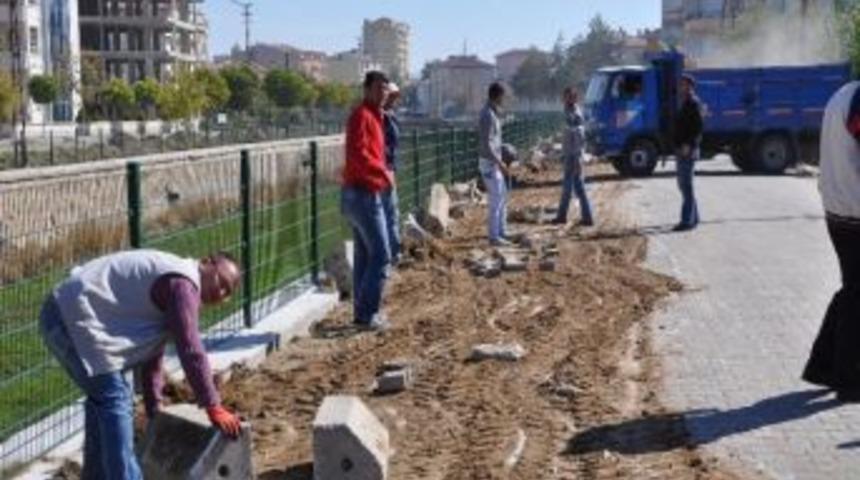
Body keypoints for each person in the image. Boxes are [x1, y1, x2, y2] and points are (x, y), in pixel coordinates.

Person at [39, 249, 243, 480]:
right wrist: (213, 405)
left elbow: (153, 350)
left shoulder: (179, 284)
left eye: (227, 291)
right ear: (206, 262)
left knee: (104, 401)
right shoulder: (183, 284)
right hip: (69, 315)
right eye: (220, 281)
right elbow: (191, 350)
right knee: (115, 399)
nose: (220, 291)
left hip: (64, 312)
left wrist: (153, 405)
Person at [802, 80, 860, 402]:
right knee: (856, 295)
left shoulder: (844, 93)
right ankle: (848, 380)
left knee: (852, 289)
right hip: (855, 211)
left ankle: (822, 366)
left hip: (838, 207)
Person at [341, 70, 392, 330]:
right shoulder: (362, 115)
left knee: (364, 256)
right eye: (378, 88)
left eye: (385, 89)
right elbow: (360, 154)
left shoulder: (373, 115)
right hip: (363, 194)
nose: (383, 93)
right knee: (382, 255)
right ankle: (368, 314)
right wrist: (384, 173)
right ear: (367, 89)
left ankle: (361, 314)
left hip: (358, 193)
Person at [553, 87, 594, 226]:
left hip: (573, 156)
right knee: (572, 187)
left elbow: (579, 136)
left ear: (575, 98)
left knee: (575, 187)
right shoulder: (568, 111)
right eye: (565, 96)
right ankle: (569, 216)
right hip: (569, 154)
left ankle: (580, 217)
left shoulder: (574, 114)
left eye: (570, 96)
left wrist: (577, 157)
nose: (566, 99)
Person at [479, 82, 511, 246]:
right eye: (503, 96)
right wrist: (500, 162)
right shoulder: (487, 115)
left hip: (494, 164)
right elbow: (487, 144)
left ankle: (502, 231)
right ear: (497, 96)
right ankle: (494, 236)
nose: (504, 100)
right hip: (489, 164)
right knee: (495, 200)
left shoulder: (492, 113)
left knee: (502, 197)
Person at [673, 73, 703, 231]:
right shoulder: (684, 102)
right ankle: (694, 218)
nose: (681, 87)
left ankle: (686, 221)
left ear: (690, 86)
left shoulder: (693, 103)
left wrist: (689, 145)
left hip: (688, 149)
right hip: (681, 148)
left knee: (686, 185)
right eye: (681, 84)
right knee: (683, 185)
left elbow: (698, 128)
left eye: (684, 84)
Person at [382, 81, 402, 266]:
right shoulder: (381, 117)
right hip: (384, 172)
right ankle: (392, 254)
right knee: (390, 213)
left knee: (390, 212)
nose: (395, 100)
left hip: (389, 170)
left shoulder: (390, 116)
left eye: (396, 96)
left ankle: (392, 252)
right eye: (392, 96)